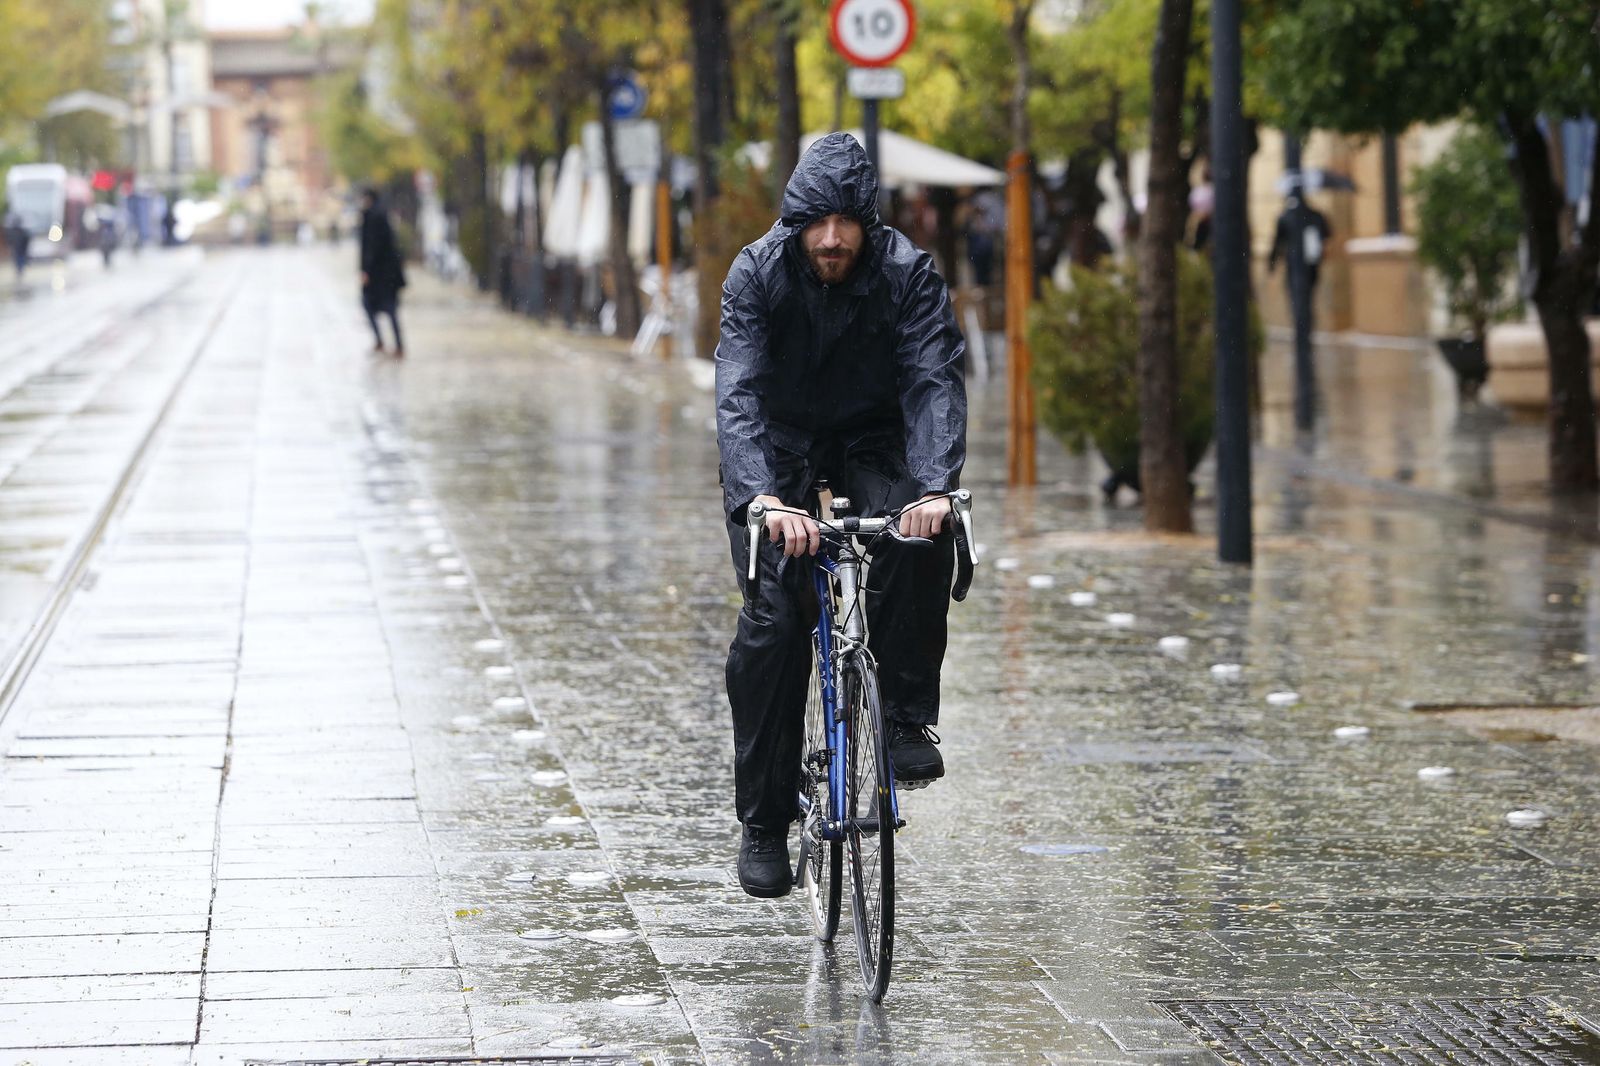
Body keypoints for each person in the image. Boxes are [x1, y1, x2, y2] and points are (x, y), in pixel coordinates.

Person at [715, 132, 968, 898]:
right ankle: (764, 820)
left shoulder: (907, 273)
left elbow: (933, 380)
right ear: (795, 222)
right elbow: (740, 394)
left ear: (870, 223)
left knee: (920, 531)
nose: (831, 239)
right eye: (816, 222)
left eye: (846, 222)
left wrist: (934, 485)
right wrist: (763, 497)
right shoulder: (757, 273)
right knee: (776, 617)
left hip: (875, 433)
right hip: (780, 444)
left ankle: (903, 720)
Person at [358, 188, 407, 356]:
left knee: (373, 305)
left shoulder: (373, 217)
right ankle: (393, 344)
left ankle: (388, 343)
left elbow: (372, 248)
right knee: (389, 309)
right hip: (388, 275)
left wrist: (366, 271)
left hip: (380, 275)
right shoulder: (380, 215)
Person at [4, 210, 29, 281]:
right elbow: (9, 240)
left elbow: (26, 240)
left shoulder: (21, 232)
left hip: (20, 250)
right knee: (18, 262)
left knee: (19, 262)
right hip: (17, 250)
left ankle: (19, 273)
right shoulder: (14, 232)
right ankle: (19, 272)